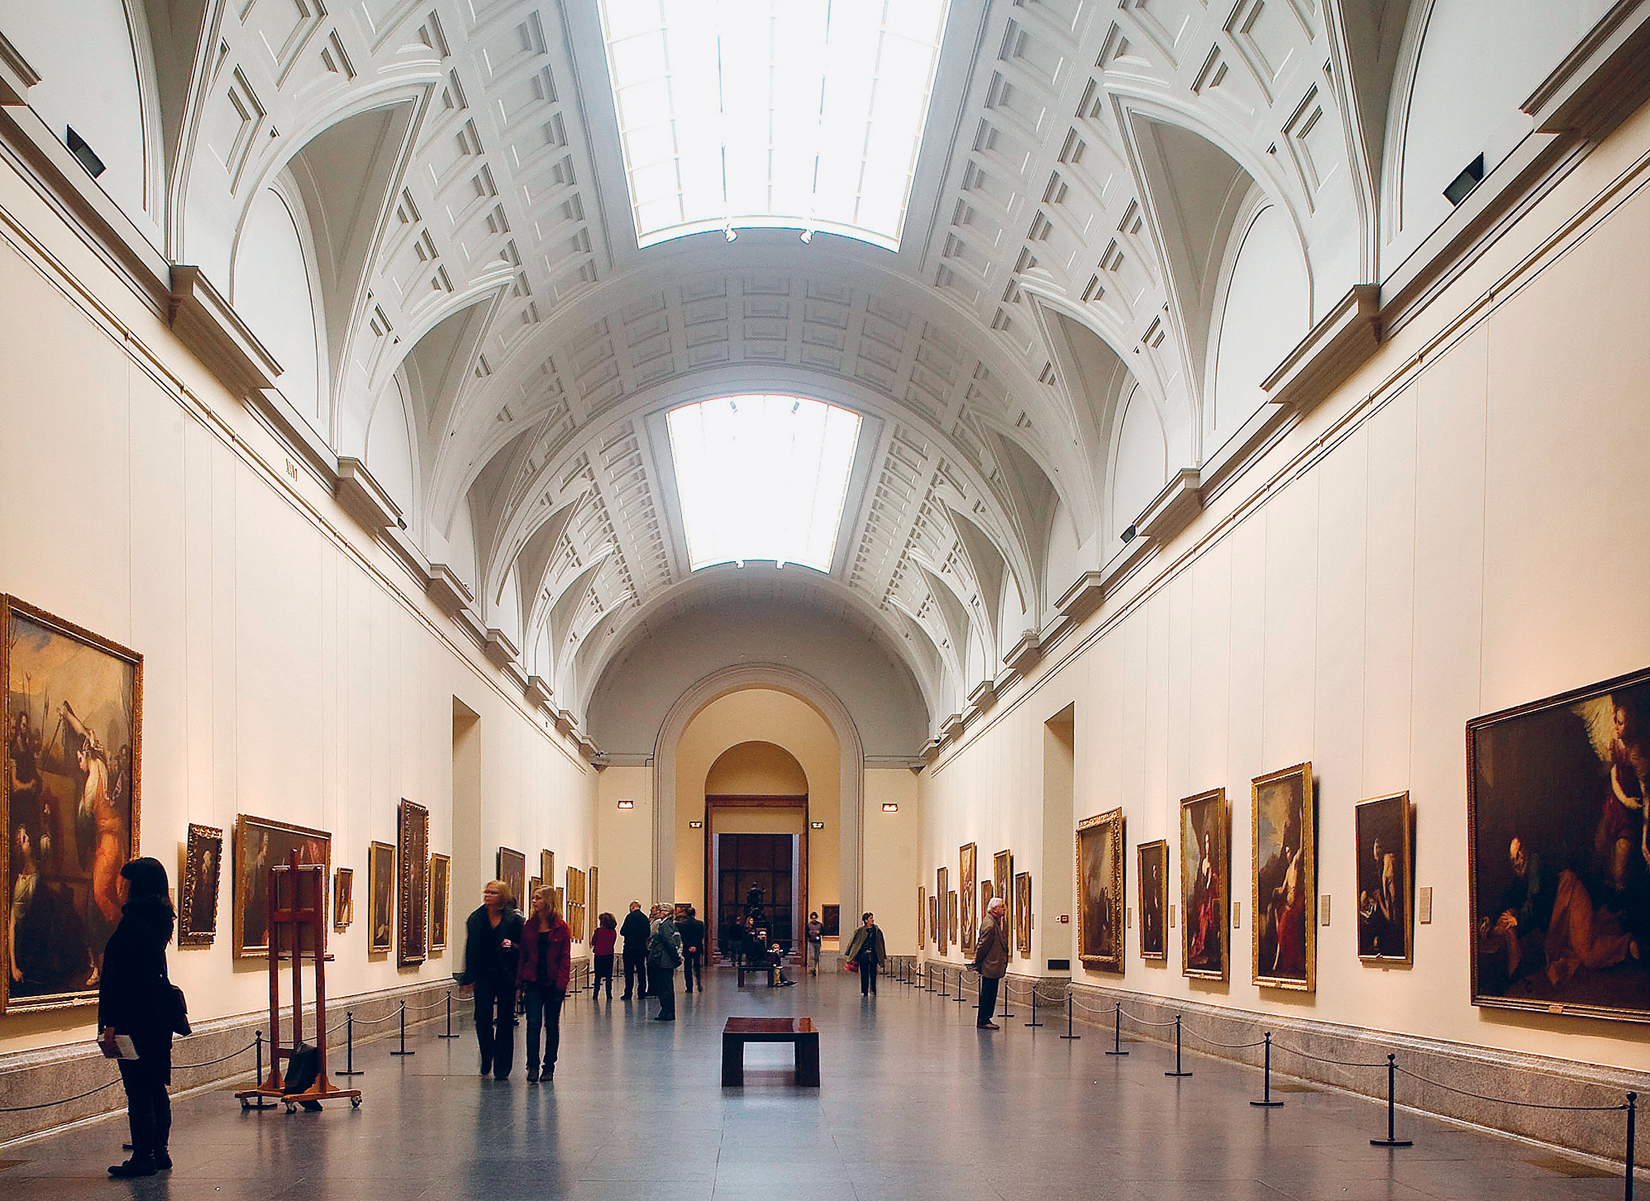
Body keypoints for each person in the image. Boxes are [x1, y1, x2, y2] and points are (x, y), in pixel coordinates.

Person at [97, 857, 177, 1178]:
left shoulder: (133, 924)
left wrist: (112, 1024)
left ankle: (144, 1156)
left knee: (139, 1088)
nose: (122, 888)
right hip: (156, 1018)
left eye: (127, 882)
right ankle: (160, 1151)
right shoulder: (158, 919)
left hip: (135, 1019)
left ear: (137, 886)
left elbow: (123, 982)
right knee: (155, 1085)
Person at [458, 880, 522, 1080]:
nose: (488, 896)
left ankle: (503, 1065)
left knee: (505, 1020)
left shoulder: (514, 919)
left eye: (493, 893)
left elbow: (523, 949)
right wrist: (468, 977)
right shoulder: (476, 919)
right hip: (484, 975)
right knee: (482, 1017)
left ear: (502, 896)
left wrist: (512, 947)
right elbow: (471, 949)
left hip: (506, 974)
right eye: (486, 892)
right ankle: (487, 1054)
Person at [517, 887, 570, 1083]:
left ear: (548, 901)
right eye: (533, 897)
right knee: (533, 1024)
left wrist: (561, 984)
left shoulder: (561, 928)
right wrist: (519, 983)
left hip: (553, 983)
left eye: (538, 898)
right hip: (533, 982)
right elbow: (523, 955)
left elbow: (565, 959)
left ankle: (549, 1066)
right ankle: (532, 1065)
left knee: (551, 1026)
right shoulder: (529, 926)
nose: (533, 901)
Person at [971, 895, 1009, 1028]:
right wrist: (977, 961)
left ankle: (985, 1018)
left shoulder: (992, 922)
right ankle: (984, 1019)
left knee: (990, 993)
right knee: (988, 993)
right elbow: (983, 945)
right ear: (995, 909)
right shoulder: (990, 924)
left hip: (992, 964)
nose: (1004, 909)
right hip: (990, 965)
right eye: (1002, 907)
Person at [647, 904, 682, 1021]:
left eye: (661, 910)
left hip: (663, 961)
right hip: (663, 960)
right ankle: (665, 1011)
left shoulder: (665, 925)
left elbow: (669, 943)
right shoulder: (666, 924)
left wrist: (676, 957)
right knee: (664, 987)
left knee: (665, 988)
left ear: (666, 912)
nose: (658, 912)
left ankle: (668, 1012)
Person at [843, 911, 886, 996]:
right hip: (863, 955)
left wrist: (882, 955)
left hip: (874, 953)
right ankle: (864, 990)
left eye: (872, 918)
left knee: (873, 973)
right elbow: (854, 942)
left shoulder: (877, 931)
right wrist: (849, 953)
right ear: (866, 920)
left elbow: (881, 944)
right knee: (864, 973)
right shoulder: (860, 931)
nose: (872, 920)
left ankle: (873, 990)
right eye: (870, 918)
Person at [619, 900, 650, 1000]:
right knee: (641, 969)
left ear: (632, 907)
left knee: (629, 971)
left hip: (629, 947)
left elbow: (622, 931)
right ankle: (641, 992)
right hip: (641, 947)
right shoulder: (645, 918)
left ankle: (628, 992)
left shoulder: (629, 917)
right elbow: (648, 933)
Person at [676, 904, 706, 993]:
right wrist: (695, 946)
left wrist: (689, 946)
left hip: (687, 948)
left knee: (687, 967)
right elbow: (701, 936)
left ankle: (689, 987)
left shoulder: (683, 925)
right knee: (697, 966)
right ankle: (698, 982)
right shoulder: (700, 924)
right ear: (694, 914)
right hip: (697, 948)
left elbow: (683, 937)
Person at [591, 911, 617, 999]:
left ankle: (595, 994)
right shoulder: (613, 931)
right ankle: (609, 994)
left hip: (599, 954)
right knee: (609, 976)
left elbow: (593, 942)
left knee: (598, 976)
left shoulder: (598, 931)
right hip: (609, 954)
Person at [805, 911, 823, 975]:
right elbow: (806, 933)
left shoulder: (820, 925)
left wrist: (819, 934)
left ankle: (815, 967)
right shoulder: (808, 925)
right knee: (812, 955)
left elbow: (822, 932)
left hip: (817, 942)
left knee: (816, 955)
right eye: (812, 918)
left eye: (814, 918)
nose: (813, 919)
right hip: (811, 941)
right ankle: (812, 968)